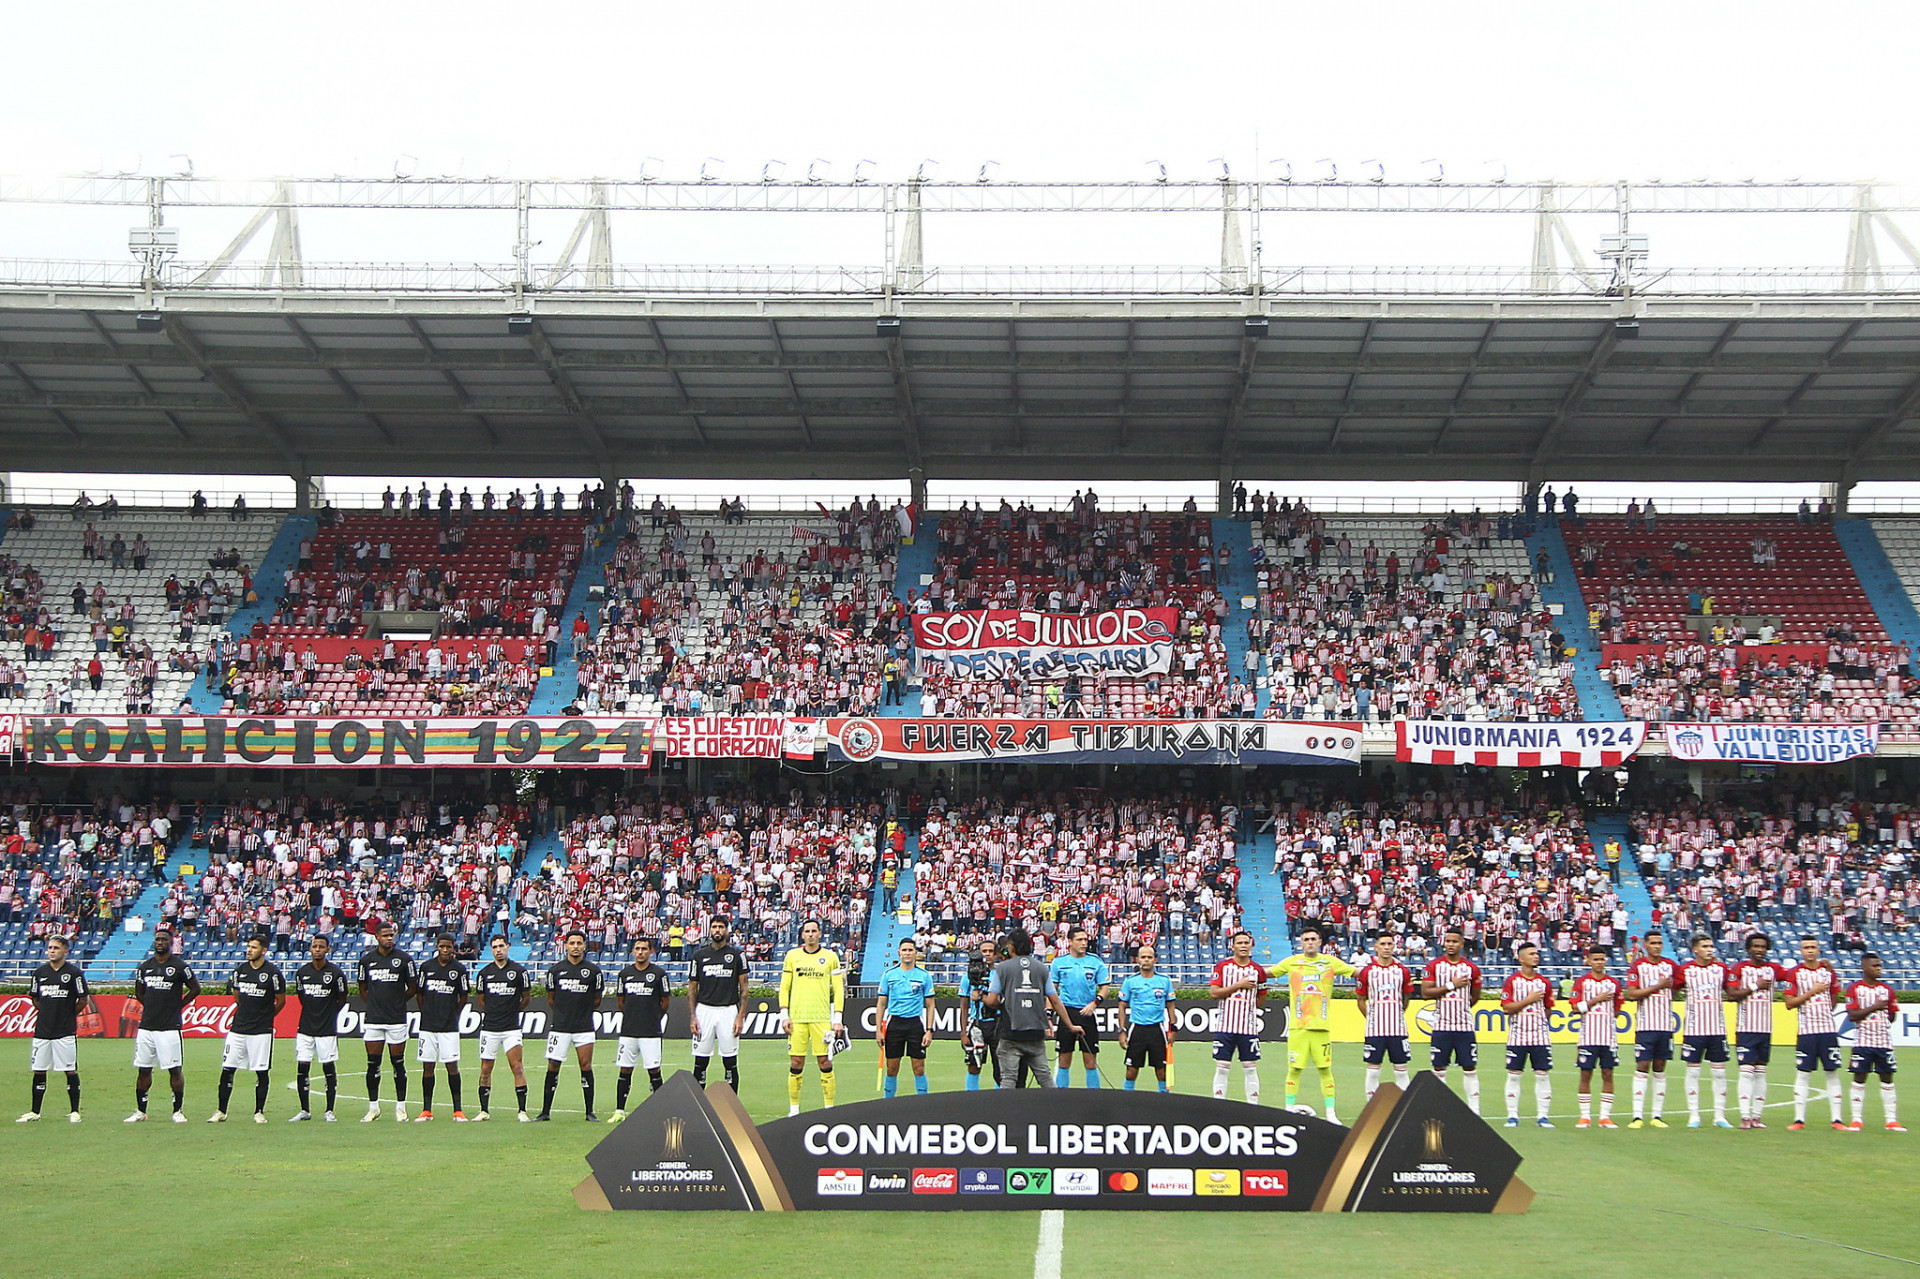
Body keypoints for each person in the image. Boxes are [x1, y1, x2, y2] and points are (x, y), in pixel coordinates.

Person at [1271, 924, 1355, 1120]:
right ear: (1301, 943)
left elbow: (1359, 973)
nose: (1309, 943)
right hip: (1298, 1026)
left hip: (1321, 1027)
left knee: (1325, 1069)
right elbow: (1265, 974)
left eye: (1313, 939)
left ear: (1320, 942)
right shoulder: (1291, 962)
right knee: (1294, 1069)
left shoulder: (1330, 962)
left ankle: (1331, 1113)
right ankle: (1288, 1109)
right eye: (1306, 940)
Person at [985, 928, 1079, 1089]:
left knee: (1008, 1079)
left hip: (1011, 1033)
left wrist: (982, 998)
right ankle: (1058, 1111)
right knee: (1045, 1079)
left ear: (1012, 947)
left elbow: (992, 1000)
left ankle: (1005, 1114)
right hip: (1035, 1032)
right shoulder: (1042, 968)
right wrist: (1071, 1025)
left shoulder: (1002, 968)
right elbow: (1055, 999)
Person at [127, 928, 198, 1123]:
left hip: (170, 1027)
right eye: (157, 939)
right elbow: (139, 992)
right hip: (147, 1027)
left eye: (164, 939)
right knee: (143, 1069)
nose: (160, 942)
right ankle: (141, 1111)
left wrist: (178, 1005)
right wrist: (150, 1006)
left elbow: (195, 988)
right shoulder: (145, 967)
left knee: (174, 1069)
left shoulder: (179, 966)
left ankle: (177, 1111)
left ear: (171, 942)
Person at [213, 936, 285, 1123]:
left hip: (261, 1031)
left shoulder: (272, 973)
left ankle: (259, 1112)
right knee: (227, 1069)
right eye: (248, 947)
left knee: (261, 1071)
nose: (249, 950)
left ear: (264, 950)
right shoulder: (240, 971)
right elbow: (236, 995)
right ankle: (221, 1111)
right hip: (238, 1029)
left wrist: (266, 1017)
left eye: (253, 947)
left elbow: (281, 1000)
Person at [777, 920, 844, 1116]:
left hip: (821, 1018)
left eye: (814, 931)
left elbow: (838, 989)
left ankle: (829, 1109)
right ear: (802, 935)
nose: (811, 934)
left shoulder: (830, 957)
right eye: (807, 931)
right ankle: (794, 1110)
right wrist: (784, 1015)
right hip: (797, 1019)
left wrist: (837, 1017)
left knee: (825, 1062)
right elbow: (784, 987)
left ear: (820, 934)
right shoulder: (792, 956)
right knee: (796, 1063)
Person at [20, 935, 88, 1123]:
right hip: (42, 1030)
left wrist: (67, 1014)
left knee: (70, 1070)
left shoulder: (74, 973)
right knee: (39, 1070)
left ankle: (75, 1111)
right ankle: (35, 1112)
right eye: (50, 948)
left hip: (65, 1031)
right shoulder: (39, 973)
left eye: (56, 948)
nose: (51, 951)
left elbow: (83, 999)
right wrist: (48, 1012)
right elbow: (35, 999)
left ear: (65, 951)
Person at [539, 930, 603, 1122]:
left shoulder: (593, 971)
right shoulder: (555, 970)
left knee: (585, 1066)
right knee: (553, 1065)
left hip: (584, 1027)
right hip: (560, 1026)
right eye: (572, 943)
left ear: (585, 946)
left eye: (579, 943)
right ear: (565, 945)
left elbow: (597, 1000)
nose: (575, 946)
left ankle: (589, 1112)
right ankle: (545, 1111)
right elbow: (551, 1000)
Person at [1783, 936, 1845, 1131]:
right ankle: (1799, 1120)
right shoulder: (1795, 973)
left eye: (1813, 947)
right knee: (1803, 1074)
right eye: (1806, 947)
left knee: (1832, 1073)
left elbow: (1834, 998)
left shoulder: (1829, 973)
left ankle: (1837, 1120)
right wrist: (1813, 991)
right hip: (1806, 1032)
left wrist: (1824, 1008)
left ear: (1818, 950)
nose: (1810, 950)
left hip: (1827, 1031)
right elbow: (1789, 1003)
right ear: (1801, 951)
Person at [357, 923, 417, 1123]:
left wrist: (398, 1002)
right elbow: (363, 988)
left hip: (396, 1019)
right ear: (376, 937)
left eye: (391, 935)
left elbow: (412, 987)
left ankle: (401, 1107)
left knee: (398, 1063)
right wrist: (375, 1004)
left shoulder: (404, 960)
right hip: (374, 1019)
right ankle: (373, 1107)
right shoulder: (366, 961)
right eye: (385, 935)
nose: (389, 938)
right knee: (373, 1064)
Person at [1421, 926, 1484, 1115]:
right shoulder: (1434, 966)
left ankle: (1475, 1110)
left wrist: (1461, 1006)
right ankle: (1441, 1110)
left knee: (1469, 1067)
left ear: (1462, 944)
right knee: (1439, 1067)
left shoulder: (1471, 968)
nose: (1450, 944)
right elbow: (1425, 993)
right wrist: (1451, 985)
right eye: (1448, 941)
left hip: (1464, 1027)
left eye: (1455, 941)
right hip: (1441, 1026)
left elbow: (1475, 997)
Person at [1729, 932, 1788, 1129]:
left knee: (1761, 1073)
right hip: (1746, 1029)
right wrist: (1756, 986)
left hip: (1765, 1029)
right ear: (1748, 949)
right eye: (1756, 946)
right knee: (1746, 1073)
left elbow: (1794, 974)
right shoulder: (1739, 968)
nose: (1760, 950)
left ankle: (1757, 1116)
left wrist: (1822, 965)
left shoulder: (1773, 969)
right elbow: (1732, 995)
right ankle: (1745, 1116)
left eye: (1763, 947)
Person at [1623, 933, 1680, 1128]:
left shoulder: (1671, 966)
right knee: (1642, 1066)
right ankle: (1637, 1116)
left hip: (1665, 1027)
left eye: (1659, 943)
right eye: (1653, 943)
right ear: (1645, 945)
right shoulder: (1638, 966)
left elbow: (1678, 985)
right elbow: (1632, 994)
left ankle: (1657, 1116)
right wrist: (1659, 986)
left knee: (1660, 1068)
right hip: (1646, 1027)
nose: (1657, 946)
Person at [612, 936, 672, 1121]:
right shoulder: (624, 974)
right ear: (632, 951)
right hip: (629, 1030)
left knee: (654, 1070)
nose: (640, 952)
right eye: (637, 948)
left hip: (651, 1031)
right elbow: (621, 1001)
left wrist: (651, 1017)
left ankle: (659, 1110)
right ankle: (619, 1111)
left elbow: (665, 1002)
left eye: (644, 949)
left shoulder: (659, 974)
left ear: (651, 951)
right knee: (625, 1070)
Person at [1678, 935, 1734, 1129]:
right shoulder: (1686, 970)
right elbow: (1672, 989)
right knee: (1693, 1072)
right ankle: (1694, 1115)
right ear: (1695, 949)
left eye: (1711, 946)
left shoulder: (1721, 969)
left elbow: (1732, 991)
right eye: (1705, 946)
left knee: (1719, 1074)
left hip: (1717, 1029)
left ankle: (1720, 1116)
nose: (1710, 949)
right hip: (1694, 1030)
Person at [473, 935, 532, 1121]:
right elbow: (481, 1000)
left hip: (511, 1029)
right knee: (485, 1069)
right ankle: (484, 1111)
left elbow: (526, 998)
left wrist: (512, 1011)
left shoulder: (519, 971)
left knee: (517, 1067)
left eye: (501, 946)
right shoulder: (484, 973)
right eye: (495, 947)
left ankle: (522, 1111)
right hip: (489, 1028)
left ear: (507, 947)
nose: (498, 949)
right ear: (491, 950)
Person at [290, 934, 348, 1122]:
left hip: (326, 1029)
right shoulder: (302, 973)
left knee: (328, 1068)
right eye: (314, 946)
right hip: (305, 1028)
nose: (317, 949)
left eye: (321, 946)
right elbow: (301, 997)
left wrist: (328, 1014)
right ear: (310, 949)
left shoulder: (336, 973)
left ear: (328, 950)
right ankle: (304, 1110)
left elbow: (341, 999)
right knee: (302, 1067)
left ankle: (329, 1110)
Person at [687, 918, 749, 1093]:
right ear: (709, 930)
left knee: (730, 1062)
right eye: (714, 926)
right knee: (700, 1062)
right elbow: (692, 988)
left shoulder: (737, 955)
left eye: (721, 927)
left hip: (728, 1011)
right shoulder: (699, 955)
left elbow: (744, 988)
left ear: (726, 931)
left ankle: (732, 1106)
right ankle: (698, 1105)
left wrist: (740, 1016)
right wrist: (693, 1017)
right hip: (704, 1010)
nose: (717, 930)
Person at [1845, 952, 1905, 1132]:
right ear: (1864, 967)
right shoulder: (1854, 989)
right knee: (1859, 1078)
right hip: (1863, 1042)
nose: (1879, 968)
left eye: (1879, 965)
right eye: (1875, 966)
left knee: (1887, 1079)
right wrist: (1874, 1007)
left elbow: (1892, 1015)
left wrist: (1882, 1013)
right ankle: (1856, 1120)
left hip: (1884, 1043)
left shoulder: (1887, 990)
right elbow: (1852, 1015)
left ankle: (1891, 1120)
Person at [1208, 930, 1269, 1104]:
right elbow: (1214, 993)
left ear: (1251, 945)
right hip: (1225, 1027)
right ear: (1232, 946)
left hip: (1248, 1028)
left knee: (1250, 1069)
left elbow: (1262, 998)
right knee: (1222, 1068)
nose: (1243, 946)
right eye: (1240, 943)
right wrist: (1239, 985)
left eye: (1246, 943)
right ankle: (1218, 1104)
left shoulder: (1258, 970)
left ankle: (1253, 1106)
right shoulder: (1222, 966)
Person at [1499, 942, 1555, 1129]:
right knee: (1514, 1076)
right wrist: (1529, 1000)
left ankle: (1543, 1116)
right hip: (1518, 1036)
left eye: (1537, 953)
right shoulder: (1512, 981)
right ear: (1521, 958)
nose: (1536, 956)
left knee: (1542, 1075)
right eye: (1531, 954)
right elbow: (1507, 1008)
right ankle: (1513, 1116)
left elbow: (1548, 1009)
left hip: (1540, 1036)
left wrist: (1538, 1019)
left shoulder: (1544, 982)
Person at [1048, 926, 1112, 1088]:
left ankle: (1094, 1097)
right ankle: (1061, 1098)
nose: (1084, 943)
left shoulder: (1095, 961)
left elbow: (1105, 988)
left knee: (1090, 1061)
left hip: (1087, 1013)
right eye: (1079, 940)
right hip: (1066, 1013)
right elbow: (1051, 991)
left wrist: (1095, 1003)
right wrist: (1048, 1015)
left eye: (1085, 939)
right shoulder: (1059, 962)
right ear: (1070, 942)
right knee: (1063, 1060)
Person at [414, 935, 469, 1122]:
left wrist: (453, 1014)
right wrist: (427, 1012)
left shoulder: (459, 970)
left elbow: (463, 997)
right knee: (427, 1066)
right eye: (442, 946)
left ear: (453, 947)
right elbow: (420, 994)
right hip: (428, 1026)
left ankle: (458, 1110)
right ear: (437, 946)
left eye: (449, 947)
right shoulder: (426, 967)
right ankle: (426, 1110)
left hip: (449, 1027)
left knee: (452, 1067)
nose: (445, 950)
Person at [1354, 933, 1413, 1103]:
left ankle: (1403, 1108)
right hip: (1374, 1030)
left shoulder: (1402, 971)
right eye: (1383, 944)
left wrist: (1397, 1015)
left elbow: (1406, 999)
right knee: (1373, 1070)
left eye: (1390, 944)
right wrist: (1373, 1018)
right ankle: (1371, 1107)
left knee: (1401, 1069)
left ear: (1394, 946)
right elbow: (1360, 1001)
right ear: (1376, 947)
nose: (1387, 947)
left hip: (1398, 1029)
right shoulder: (1367, 972)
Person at [1571, 945, 1623, 1129]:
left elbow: (1617, 1010)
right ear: (1589, 961)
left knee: (1608, 1074)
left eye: (1602, 959)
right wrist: (1596, 1000)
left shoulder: (1614, 983)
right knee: (1586, 1074)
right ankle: (1585, 1116)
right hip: (1588, 1038)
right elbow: (1575, 1008)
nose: (1600, 962)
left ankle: (1604, 1117)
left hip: (1608, 1038)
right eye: (1596, 959)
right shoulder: (1582, 983)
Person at [876, 939, 935, 1097]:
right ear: (899, 953)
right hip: (895, 1024)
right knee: (892, 1069)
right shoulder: (889, 975)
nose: (907, 953)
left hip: (915, 1025)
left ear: (916, 953)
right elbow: (881, 1004)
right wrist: (878, 1031)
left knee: (919, 1068)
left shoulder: (923, 976)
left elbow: (930, 1005)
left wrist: (929, 1030)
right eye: (904, 950)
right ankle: (888, 1103)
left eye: (910, 950)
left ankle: (923, 1102)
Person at [1117, 944, 1175, 1092]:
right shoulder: (1130, 981)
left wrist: (1173, 1028)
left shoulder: (1165, 981)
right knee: (1131, 1071)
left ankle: (1164, 1102)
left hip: (1157, 1030)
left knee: (1161, 1071)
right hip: (1137, 1029)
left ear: (1155, 960)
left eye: (1150, 957)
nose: (1146, 960)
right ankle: (1127, 1101)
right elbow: (1122, 1006)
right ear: (1138, 960)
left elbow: (1170, 1006)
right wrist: (1122, 1031)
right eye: (1143, 957)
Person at [959, 938, 1003, 1090]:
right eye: (984, 951)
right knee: (974, 1065)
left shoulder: (1001, 974)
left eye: (991, 951)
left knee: (1000, 1067)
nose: (988, 954)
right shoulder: (968, 976)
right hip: (976, 1023)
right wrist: (964, 1032)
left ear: (996, 954)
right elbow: (964, 1007)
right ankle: (971, 1100)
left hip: (997, 1023)